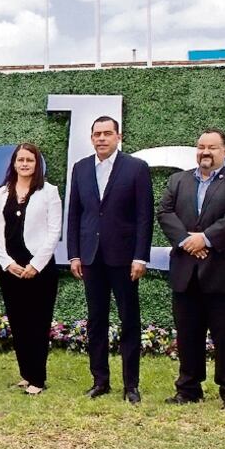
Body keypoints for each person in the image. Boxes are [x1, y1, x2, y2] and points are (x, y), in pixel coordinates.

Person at [158, 129, 225, 412]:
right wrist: (189, 241)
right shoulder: (178, 180)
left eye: (212, 147)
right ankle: (188, 389)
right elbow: (165, 213)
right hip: (186, 272)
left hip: (224, 274)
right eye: (201, 147)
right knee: (188, 333)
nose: (205, 152)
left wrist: (206, 238)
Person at [67, 115, 153, 404]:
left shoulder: (136, 168)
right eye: (97, 134)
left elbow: (144, 216)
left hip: (124, 258)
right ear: (91, 138)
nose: (101, 138)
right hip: (91, 257)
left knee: (129, 320)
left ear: (119, 137)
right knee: (96, 320)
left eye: (107, 133)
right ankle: (100, 381)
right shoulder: (80, 168)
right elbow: (75, 214)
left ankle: (131, 385)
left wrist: (141, 256)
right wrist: (74, 253)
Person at [0, 143, 62, 395]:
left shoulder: (49, 192)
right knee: (18, 323)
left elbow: (54, 232)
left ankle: (38, 379)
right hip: (11, 268)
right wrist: (7, 262)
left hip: (39, 269)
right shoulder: (2, 193)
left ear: (36, 163)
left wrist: (35, 265)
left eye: (29, 160)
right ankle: (25, 373)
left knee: (37, 323)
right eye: (20, 160)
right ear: (14, 163)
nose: (24, 164)